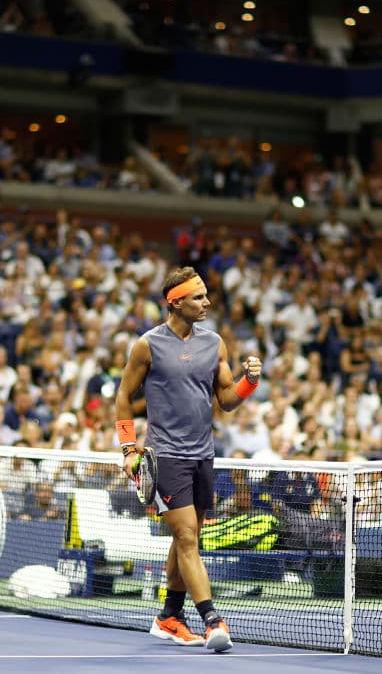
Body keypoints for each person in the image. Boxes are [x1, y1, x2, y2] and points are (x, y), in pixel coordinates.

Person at [115, 266, 262, 652]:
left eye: (206, 295)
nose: (207, 302)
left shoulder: (215, 344)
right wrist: (129, 449)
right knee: (185, 537)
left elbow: (227, 401)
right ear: (175, 302)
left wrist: (250, 381)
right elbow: (124, 396)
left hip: (203, 455)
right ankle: (213, 620)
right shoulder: (147, 345)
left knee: (187, 538)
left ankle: (168, 617)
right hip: (165, 455)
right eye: (198, 297)